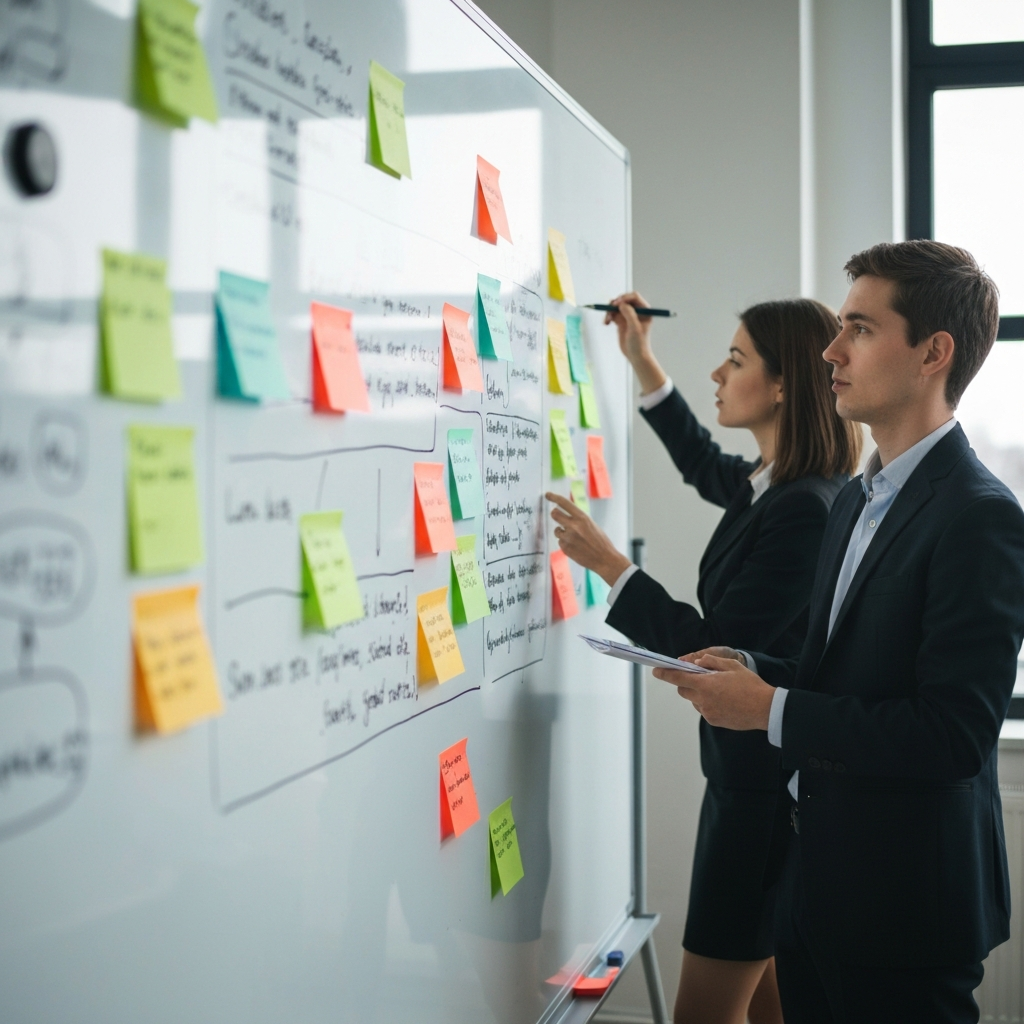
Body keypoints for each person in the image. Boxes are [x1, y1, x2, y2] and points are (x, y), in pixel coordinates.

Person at [659, 240, 1024, 1024]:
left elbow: (954, 733)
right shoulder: (856, 502)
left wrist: (769, 709)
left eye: (858, 328)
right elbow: (841, 673)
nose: (831, 350)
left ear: (934, 353)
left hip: (905, 912)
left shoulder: (982, 517)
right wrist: (753, 665)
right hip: (815, 888)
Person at [546, 293, 861, 1024]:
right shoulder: (775, 486)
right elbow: (701, 464)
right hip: (752, 788)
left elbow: (713, 645)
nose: (718, 373)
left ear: (783, 384)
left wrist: (612, 567)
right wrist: (642, 361)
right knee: (772, 1006)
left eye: (737, 358)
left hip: (760, 804)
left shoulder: (803, 508)